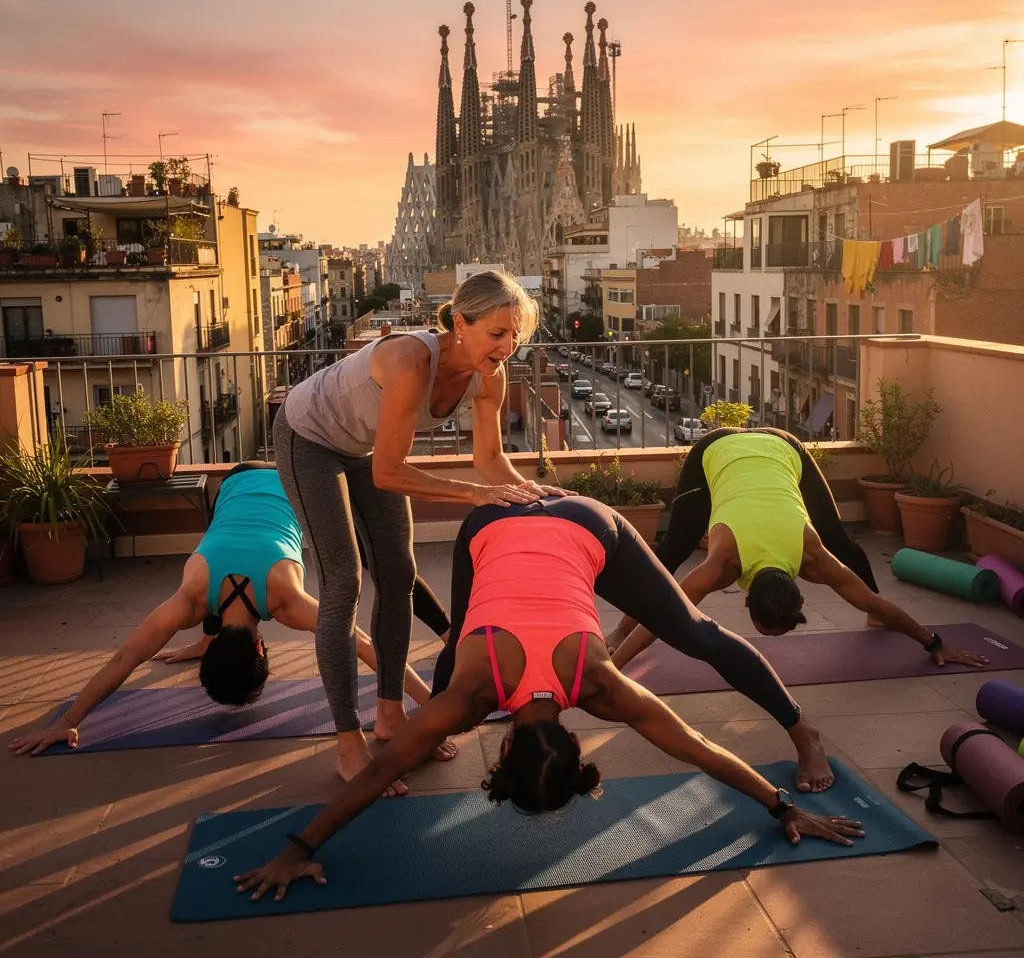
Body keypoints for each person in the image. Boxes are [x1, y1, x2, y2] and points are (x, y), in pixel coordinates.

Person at [232, 495, 865, 903]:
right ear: (505, 744)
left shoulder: (589, 686)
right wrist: (295, 852)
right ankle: (796, 729)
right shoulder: (533, 691)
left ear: (575, 739)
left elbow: (379, 770)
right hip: (550, 521)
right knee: (456, 663)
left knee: (455, 662)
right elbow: (380, 768)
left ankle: (800, 727)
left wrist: (783, 807)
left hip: (512, 520)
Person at [274, 270, 570, 791]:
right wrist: (474, 495)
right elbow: (392, 472)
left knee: (399, 572)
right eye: (497, 333)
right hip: (309, 438)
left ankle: (391, 714)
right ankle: (349, 745)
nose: (508, 345)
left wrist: (533, 493)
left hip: (364, 448)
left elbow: (490, 458)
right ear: (460, 323)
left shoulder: (489, 375)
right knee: (344, 580)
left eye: (516, 333)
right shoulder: (411, 361)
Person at [7, 463, 455, 778]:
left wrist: (73, 720)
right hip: (234, 481)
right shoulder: (195, 600)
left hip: (285, 479)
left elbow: (363, 643)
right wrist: (65, 718)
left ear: (261, 648)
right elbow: (125, 656)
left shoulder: (284, 602)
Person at [605, 427, 989, 676]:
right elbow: (664, 611)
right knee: (675, 547)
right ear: (745, 600)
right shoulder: (722, 563)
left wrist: (935, 644)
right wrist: (615, 666)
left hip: (782, 444)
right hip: (716, 447)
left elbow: (878, 601)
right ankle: (620, 629)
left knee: (837, 536)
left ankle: (874, 620)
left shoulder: (814, 555)